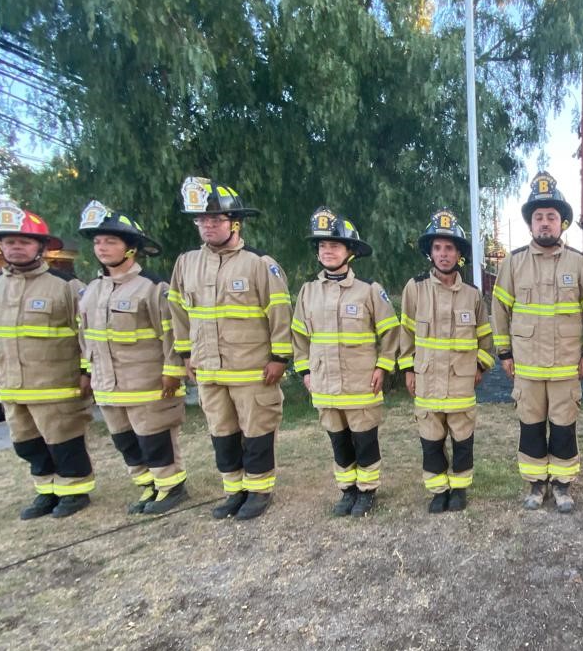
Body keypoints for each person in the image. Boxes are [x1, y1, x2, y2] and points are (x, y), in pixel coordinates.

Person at [168, 177, 292, 521]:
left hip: (251, 368)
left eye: (216, 220)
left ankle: (258, 490)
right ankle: (233, 490)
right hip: (208, 368)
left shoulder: (258, 263)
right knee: (222, 432)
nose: (208, 226)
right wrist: (186, 354)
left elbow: (279, 311)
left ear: (234, 223)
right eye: (202, 220)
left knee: (256, 431)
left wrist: (280, 358)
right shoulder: (186, 263)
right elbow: (178, 310)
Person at [491, 172, 583, 513]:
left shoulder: (579, 263)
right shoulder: (513, 262)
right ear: (530, 224)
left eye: (551, 217)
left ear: (562, 223)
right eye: (538, 217)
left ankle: (563, 485)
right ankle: (536, 484)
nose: (545, 223)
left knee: (563, 426)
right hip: (525, 363)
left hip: (566, 364)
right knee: (530, 425)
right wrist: (504, 353)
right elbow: (499, 307)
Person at [0, 201, 94, 519]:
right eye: (9, 241)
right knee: (26, 443)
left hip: (55, 383)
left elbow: (88, 332)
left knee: (64, 439)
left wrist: (87, 371)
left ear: (40, 247)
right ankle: (46, 490)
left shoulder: (66, 286)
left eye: (24, 241)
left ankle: (74, 491)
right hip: (11, 384)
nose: (16, 247)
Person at [77, 201, 189, 515]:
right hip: (108, 385)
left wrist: (173, 371)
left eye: (111, 241)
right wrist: (86, 372)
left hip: (147, 382)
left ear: (131, 248)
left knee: (155, 439)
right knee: (125, 441)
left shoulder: (153, 288)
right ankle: (147, 487)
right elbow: (85, 338)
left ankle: (170, 487)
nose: (102, 247)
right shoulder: (91, 291)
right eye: (98, 242)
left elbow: (171, 334)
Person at [291, 208, 398, 518]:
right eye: (323, 245)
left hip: (360, 382)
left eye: (335, 245)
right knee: (338, 441)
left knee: (364, 440)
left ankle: (367, 492)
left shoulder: (369, 291)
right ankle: (347, 491)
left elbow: (391, 332)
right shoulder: (308, 293)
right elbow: (299, 336)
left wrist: (383, 366)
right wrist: (305, 371)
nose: (328, 250)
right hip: (324, 384)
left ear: (350, 251)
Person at [399, 209, 495, 513]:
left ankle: (460, 488)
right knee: (431, 438)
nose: (443, 254)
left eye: (449, 248)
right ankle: (438, 489)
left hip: (461, 382)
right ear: (430, 252)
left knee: (463, 437)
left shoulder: (472, 295)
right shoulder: (415, 290)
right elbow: (406, 335)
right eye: (438, 247)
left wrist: (479, 365)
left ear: (458, 254)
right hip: (426, 379)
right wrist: (408, 370)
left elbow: (485, 337)